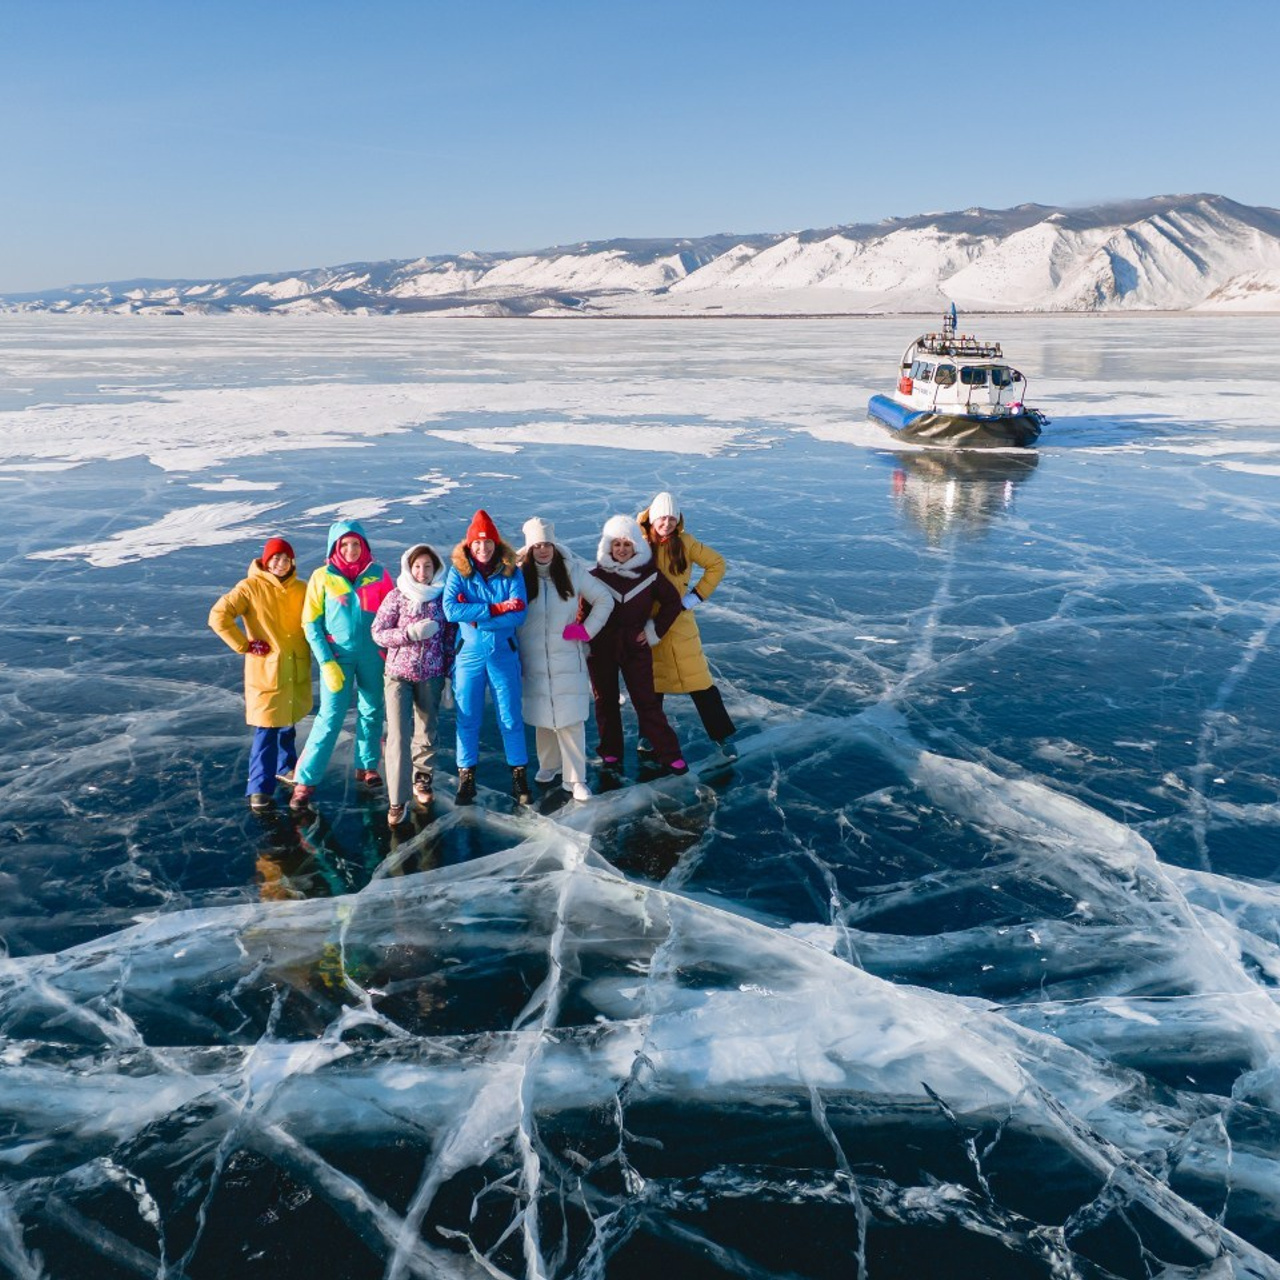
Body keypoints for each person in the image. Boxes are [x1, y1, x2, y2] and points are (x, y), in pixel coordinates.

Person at [288, 519, 394, 810]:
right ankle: (305, 780)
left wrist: (388, 651)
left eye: (355, 544)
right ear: (335, 547)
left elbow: (394, 614)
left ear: (364, 546)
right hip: (338, 657)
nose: (350, 549)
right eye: (344, 544)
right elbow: (311, 623)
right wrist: (326, 662)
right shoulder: (322, 577)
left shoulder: (379, 575)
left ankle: (367, 766)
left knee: (372, 710)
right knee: (330, 717)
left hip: (373, 655)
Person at [208, 537, 312, 809]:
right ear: (266, 561)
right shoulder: (250, 587)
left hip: (295, 666)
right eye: (275, 558)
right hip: (267, 670)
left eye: (285, 558)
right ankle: (258, 787)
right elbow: (218, 615)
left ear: (292, 561)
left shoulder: (302, 588)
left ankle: (286, 766)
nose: (280, 563)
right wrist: (244, 644)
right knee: (266, 730)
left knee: (287, 723)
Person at [516, 517, 615, 803]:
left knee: (570, 719)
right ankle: (549, 765)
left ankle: (576, 779)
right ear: (530, 548)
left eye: (547, 544)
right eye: (538, 545)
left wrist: (586, 630)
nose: (543, 550)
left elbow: (604, 600)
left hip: (567, 656)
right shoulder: (518, 574)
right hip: (532, 657)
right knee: (541, 716)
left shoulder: (572, 570)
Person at [638, 491, 738, 760]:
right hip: (648, 622)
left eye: (672, 518)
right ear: (652, 518)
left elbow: (717, 564)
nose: (667, 523)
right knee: (651, 685)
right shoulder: (638, 541)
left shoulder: (685, 542)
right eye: (662, 518)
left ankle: (723, 737)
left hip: (681, 623)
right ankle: (647, 735)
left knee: (700, 683)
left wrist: (694, 597)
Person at [442, 510, 530, 805]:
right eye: (477, 543)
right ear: (469, 545)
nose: (483, 548)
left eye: (488, 542)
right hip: (469, 655)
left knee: (510, 717)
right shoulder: (458, 572)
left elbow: (519, 613)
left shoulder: (511, 571)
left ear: (496, 543)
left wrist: (477, 616)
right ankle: (466, 778)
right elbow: (452, 611)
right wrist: (495, 609)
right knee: (467, 716)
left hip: (503, 652)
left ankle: (519, 776)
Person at [588, 514, 687, 775]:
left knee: (647, 702)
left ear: (636, 547)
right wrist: (584, 641)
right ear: (608, 547)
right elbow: (581, 610)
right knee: (605, 702)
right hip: (602, 648)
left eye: (627, 544)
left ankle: (669, 753)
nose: (621, 549)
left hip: (635, 645)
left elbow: (672, 602)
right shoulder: (595, 576)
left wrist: (653, 630)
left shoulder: (650, 575)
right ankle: (610, 752)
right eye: (616, 544)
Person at [371, 542, 456, 825]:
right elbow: (378, 633)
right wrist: (408, 633)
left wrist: (448, 674)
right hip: (397, 674)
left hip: (431, 675)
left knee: (427, 729)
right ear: (409, 567)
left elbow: (448, 640)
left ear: (436, 569)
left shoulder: (442, 599)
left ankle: (422, 778)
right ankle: (397, 799)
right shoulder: (397, 596)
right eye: (417, 566)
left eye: (427, 566)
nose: (422, 572)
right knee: (397, 734)